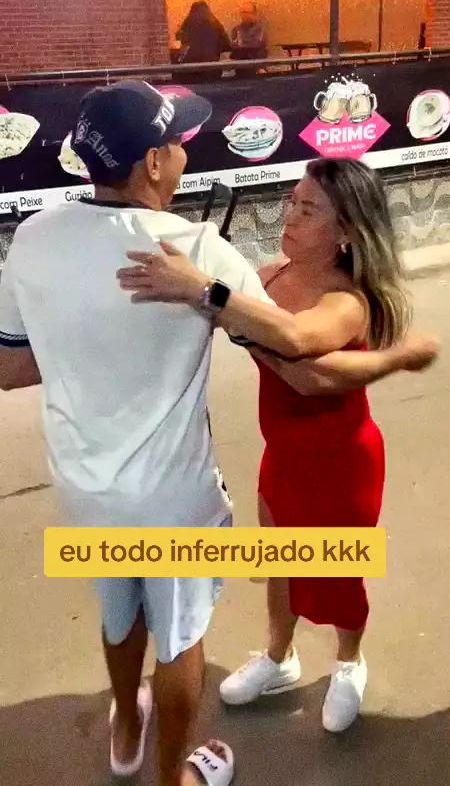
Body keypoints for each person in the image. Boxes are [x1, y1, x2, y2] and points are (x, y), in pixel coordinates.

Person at [0, 79, 277, 786]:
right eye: (176, 142)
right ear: (152, 163)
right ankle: (173, 778)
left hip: (84, 490)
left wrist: (80, 341)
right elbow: (288, 345)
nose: (183, 153)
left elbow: (9, 368)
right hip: (172, 500)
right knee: (180, 638)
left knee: (119, 611)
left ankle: (127, 725)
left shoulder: (33, 238)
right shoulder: (198, 250)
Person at [116, 158, 440, 738]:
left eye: (308, 210)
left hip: (341, 462)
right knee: (280, 562)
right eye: (291, 202)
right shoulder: (269, 276)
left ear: (346, 232)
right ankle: (278, 656)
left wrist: (213, 298)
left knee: (339, 571)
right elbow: (230, 321)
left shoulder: (347, 301)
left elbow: (305, 366)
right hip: (283, 453)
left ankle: (349, 662)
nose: (289, 216)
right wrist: (199, 294)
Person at [175, 1, 231, 83]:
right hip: (212, 67)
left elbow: (181, 43)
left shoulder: (187, 25)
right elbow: (226, 46)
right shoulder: (215, 25)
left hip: (191, 68)